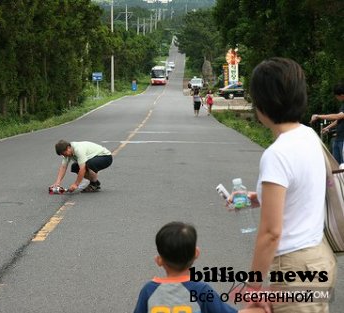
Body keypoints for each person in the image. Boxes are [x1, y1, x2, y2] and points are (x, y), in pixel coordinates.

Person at [245, 58, 336, 313]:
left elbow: (271, 232)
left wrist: (252, 287)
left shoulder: (277, 154)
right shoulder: (308, 136)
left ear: (262, 103)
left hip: (294, 270)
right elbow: (304, 192)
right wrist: (257, 197)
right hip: (318, 257)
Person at [133, 222, 264, 313]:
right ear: (196, 253)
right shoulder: (202, 290)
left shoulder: (148, 290)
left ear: (159, 260)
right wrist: (261, 309)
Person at [310, 83, 344, 163]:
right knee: (336, 166)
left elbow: (338, 116)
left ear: (342, 95)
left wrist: (318, 116)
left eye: (336, 96)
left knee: (342, 166)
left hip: (343, 140)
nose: (336, 98)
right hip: (338, 139)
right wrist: (328, 127)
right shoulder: (342, 105)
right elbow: (339, 120)